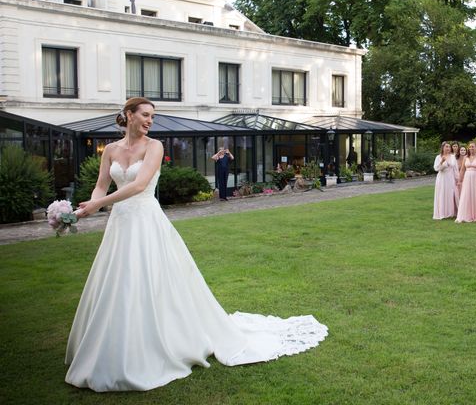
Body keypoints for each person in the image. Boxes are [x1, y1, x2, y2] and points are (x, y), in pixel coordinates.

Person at [66, 98, 327, 392]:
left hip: (146, 220)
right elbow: (102, 184)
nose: (150, 120)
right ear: (129, 115)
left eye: (153, 116)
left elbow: (138, 186)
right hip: (120, 224)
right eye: (145, 115)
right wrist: (83, 209)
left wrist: (100, 203)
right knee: (117, 281)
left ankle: (159, 342)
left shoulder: (155, 147)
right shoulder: (111, 150)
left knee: (151, 279)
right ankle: (112, 345)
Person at [455, 142, 476, 223]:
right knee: (466, 195)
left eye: (473, 147)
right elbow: (462, 170)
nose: (471, 148)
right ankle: (465, 215)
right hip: (467, 179)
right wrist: (460, 180)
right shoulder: (465, 157)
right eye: (470, 147)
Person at [433, 142, 459, 219]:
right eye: (446, 147)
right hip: (442, 178)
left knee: (450, 194)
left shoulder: (453, 156)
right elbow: (436, 168)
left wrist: (457, 179)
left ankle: (450, 212)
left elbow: (455, 169)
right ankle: (442, 213)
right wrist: (442, 162)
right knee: (442, 193)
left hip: (450, 177)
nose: (448, 148)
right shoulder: (438, 157)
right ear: (443, 148)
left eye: (449, 147)